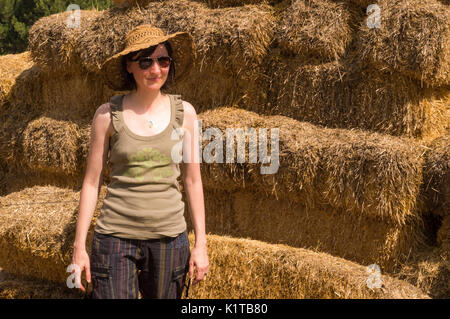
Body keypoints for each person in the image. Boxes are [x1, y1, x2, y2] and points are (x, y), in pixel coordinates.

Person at [71, 24, 209, 299]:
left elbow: (193, 181)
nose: (156, 69)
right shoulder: (107, 116)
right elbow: (91, 182)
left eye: (163, 60)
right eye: (145, 62)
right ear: (129, 66)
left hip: (169, 239)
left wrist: (201, 244)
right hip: (114, 238)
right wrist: (79, 247)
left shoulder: (186, 114)